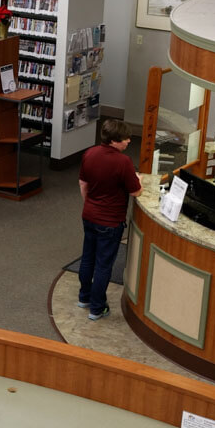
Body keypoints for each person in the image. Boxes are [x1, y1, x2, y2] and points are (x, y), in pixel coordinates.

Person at [78, 119, 143, 321]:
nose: (129, 141)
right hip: (110, 222)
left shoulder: (90, 153)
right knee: (104, 266)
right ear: (115, 140)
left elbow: (83, 183)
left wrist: (91, 204)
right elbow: (136, 192)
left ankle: (84, 297)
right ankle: (97, 308)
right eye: (125, 139)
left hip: (89, 215)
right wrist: (138, 179)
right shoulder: (123, 162)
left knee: (87, 258)